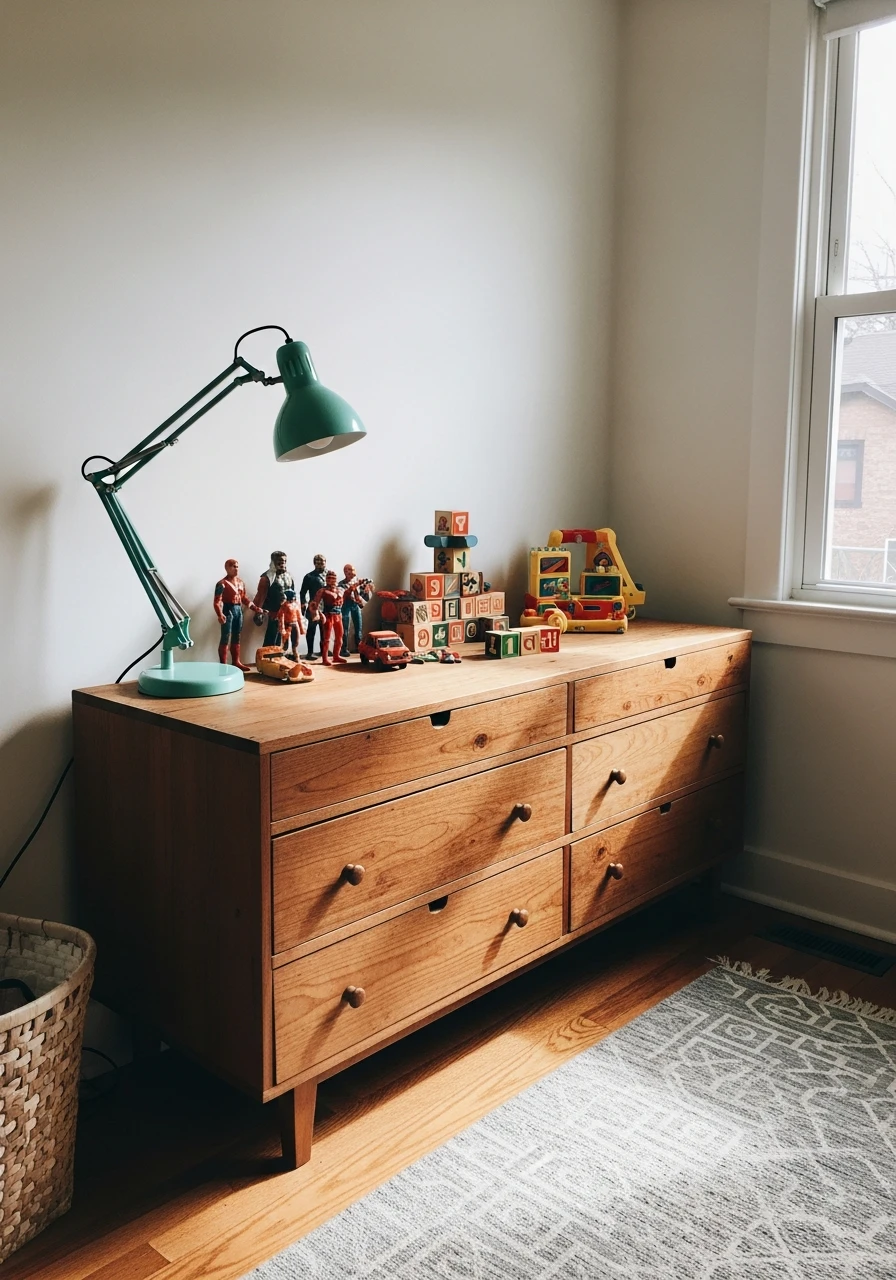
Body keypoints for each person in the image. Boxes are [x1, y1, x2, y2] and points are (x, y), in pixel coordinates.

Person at [213, 558, 258, 671]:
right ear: (227, 568)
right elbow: (217, 601)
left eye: (237, 566)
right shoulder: (222, 584)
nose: (236, 569)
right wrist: (220, 614)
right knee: (225, 636)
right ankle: (223, 665)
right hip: (228, 610)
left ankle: (236, 661)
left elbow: (244, 598)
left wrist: (255, 608)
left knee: (237, 636)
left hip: (238, 610)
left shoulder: (241, 582)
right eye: (233, 566)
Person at [253, 551, 295, 647]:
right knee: (272, 635)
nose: (282, 563)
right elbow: (261, 595)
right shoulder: (267, 578)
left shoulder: (288, 576)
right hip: (274, 611)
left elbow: (292, 593)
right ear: (273, 561)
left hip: (286, 611)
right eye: (280, 561)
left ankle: (279, 653)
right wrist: (258, 611)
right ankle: (268, 653)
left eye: (284, 561)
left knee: (283, 635)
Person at [311, 570, 347, 666]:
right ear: (326, 579)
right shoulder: (322, 591)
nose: (331, 580)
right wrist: (319, 614)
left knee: (339, 636)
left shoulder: (340, 589)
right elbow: (315, 604)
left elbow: (345, 597)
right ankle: (325, 658)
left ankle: (336, 656)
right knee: (326, 638)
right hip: (328, 615)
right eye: (329, 578)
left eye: (333, 578)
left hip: (338, 615)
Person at [339, 564, 374, 657]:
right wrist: (353, 587)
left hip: (355, 605)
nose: (353, 572)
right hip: (346, 606)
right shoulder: (342, 584)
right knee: (345, 628)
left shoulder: (359, 581)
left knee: (358, 627)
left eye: (353, 570)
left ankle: (360, 647)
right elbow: (343, 595)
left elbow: (367, 591)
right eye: (350, 570)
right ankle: (344, 648)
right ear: (345, 572)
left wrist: (368, 587)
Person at [300, 554, 328, 659]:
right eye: (318, 562)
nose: (320, 564)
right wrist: (303, 604)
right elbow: (302, 592)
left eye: (322, 562)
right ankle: (310, 652)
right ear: (314, 563)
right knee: (311, 630)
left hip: (327, 607)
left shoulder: (329, 575)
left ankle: (324, 651)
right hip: (314, 607)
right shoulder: (309, 577)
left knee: (325, 630)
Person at [277, 588, 305, 660]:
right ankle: (283, 657)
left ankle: (295, 655)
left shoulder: (296, 604)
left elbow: (299, 616)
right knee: (285, 643)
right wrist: (282, 628)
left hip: (295, 624)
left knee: (295, 642)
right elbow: (281, 617)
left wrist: (301, 628)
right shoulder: (284, 605)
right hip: (287, 625)